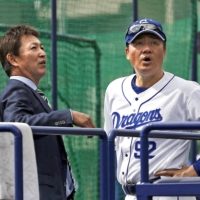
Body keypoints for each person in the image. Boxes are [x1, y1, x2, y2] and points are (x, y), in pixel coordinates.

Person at [104, 18, 200, 200]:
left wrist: (195, 169)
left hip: (167, 193)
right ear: (127, 52)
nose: (146, 49)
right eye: (138, 43)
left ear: (164, 51)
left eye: (154, 42)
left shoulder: (187, 91)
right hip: (130, 195)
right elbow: (112, 141)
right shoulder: (114, 90)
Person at [0, 24, 96, 200]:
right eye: (33, 48)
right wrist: (68, 116)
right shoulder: (17, 90)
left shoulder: (30, 92)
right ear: (13, 59)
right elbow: (16, 122)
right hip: (37, 192)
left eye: (42, 48)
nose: (42, 53)